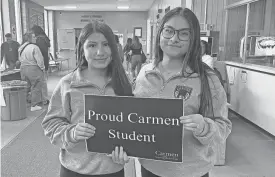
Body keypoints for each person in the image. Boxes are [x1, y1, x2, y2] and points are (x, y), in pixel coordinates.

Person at [133, 7, 232, 177]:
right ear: (160, 34)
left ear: (193, 39)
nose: (174, 38)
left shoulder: (207, 79)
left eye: (184, 33)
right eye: (169, 31)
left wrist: (203, 126)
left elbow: (223, 127)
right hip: (150, 166)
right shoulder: (145, 73)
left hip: (190, 170)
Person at [41, 21, 133, 177]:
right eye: (92, 45)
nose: (100, 52)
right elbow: (51, 124)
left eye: (106, 44)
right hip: (74, 169)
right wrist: (72, 132)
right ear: (82, 50)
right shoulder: (68, 84)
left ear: (114, 48)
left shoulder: (124, 84)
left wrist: (127, 149)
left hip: (113, 169)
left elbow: (134, 127)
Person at [19, 33, 45, 111]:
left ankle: (22, 103)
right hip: (33, 69)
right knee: (36, 86)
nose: (35, 38)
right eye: (34, 37)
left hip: (23, 68)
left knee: (26, 87)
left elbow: (20, 59)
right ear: (29, 38)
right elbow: (40, 60)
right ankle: (34, 105)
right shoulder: (35, 47)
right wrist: (42, 68)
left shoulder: (21, 47)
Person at [31, 25, 50, 105]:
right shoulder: (44, 38)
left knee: (42, 82)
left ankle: (44, 99)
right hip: (44, 61)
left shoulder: (40, 39)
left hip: (41, 62)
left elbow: (42, 53)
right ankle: (44, 99)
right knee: (43, 81)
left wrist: (43, 65)